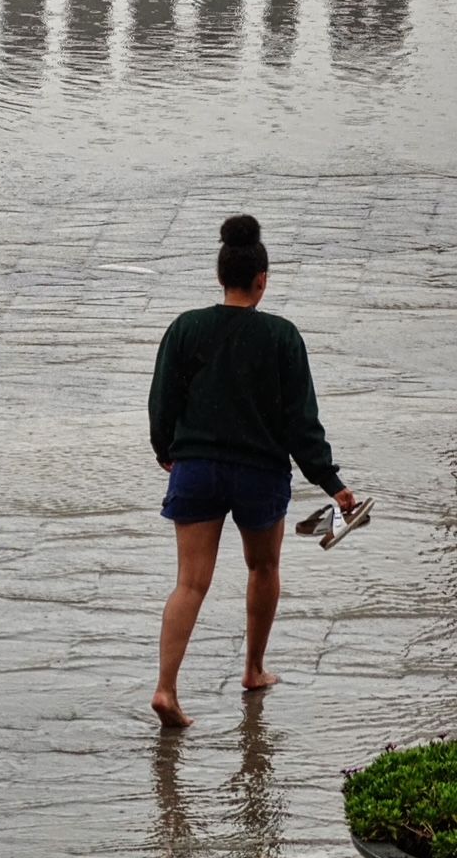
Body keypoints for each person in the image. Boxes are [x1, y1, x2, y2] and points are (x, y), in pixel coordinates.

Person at [147, 214, 362, 729]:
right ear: (261, 280)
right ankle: (254, 669)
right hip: (259, 474)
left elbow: (162, 401)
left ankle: (166, 689)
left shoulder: (186, 327)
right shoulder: (282, 337)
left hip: (196, 467)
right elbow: (300, 423)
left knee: (190, 583)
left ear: (221, 276)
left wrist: (166, 449)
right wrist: (332, 483)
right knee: (263, 568)